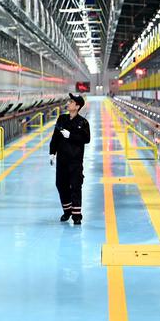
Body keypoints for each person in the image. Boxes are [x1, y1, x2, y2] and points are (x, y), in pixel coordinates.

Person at [49, 93, 91, 224]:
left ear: (77, 106)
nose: (68, 103)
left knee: (76, 186)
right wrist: (52, 152)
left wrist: (71, 135)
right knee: (61, 185)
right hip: (62, 160)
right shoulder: (62, 119)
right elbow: (55, 137)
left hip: (75, 161)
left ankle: (77, 216)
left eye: (71, 102)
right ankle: (67, 211)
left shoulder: (83, 122)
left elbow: (87, 139)